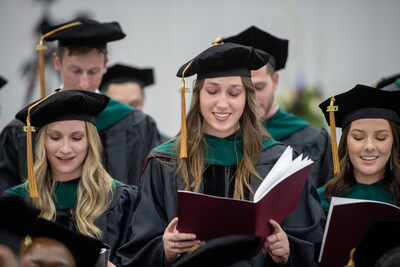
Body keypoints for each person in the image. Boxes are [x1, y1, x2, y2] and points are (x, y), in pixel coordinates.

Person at [118, 43, 325, 266]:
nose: (223, 103)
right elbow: (137, 246)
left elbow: (310, 244)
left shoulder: (278, 161)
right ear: (198, 96)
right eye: (212, 91)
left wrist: (287, 253)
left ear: (247, 98)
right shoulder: (165, 162)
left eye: (234, 93)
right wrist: (164, 249)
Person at [0, 18, 161, 192]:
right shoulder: (23, 128)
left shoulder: (137, 125)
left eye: (93, 71)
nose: (84, 83)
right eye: (75, 70)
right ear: (57, 62)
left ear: (105, 64)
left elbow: (148, 196)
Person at [2, 90, 137, 266]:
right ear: (42, 142)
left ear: (90, 142)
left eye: (76, 138)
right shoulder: (16, 204)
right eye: (55, 137)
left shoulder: (120, 200)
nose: (65, 149)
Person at [217, 26, 333, 189]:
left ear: (275, 81)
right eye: (242, 89)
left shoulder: (312, 140)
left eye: (258, 87)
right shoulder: (220, 139)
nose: (252, 98)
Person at [317, 84, 400, 212]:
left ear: (394, 142)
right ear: (345, 142)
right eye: (358, 137)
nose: (369, 147)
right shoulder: (320, 201)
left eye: (381, 138)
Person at [99, 63, 169, 141]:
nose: (128, 112)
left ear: (143, 99)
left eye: (134, 104)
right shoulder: (91, 145)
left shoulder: (163, 146)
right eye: (119, 105)